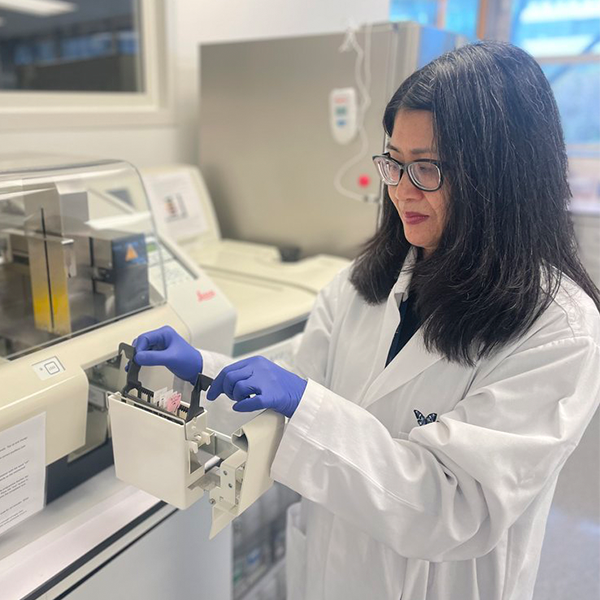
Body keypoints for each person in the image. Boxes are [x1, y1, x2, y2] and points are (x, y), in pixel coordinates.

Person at [131, 41, 600, 600]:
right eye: (394, 162)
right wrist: (203, 367)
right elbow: (298, 385)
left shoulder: (557, 330)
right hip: (332, 566)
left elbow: (453, 506)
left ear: (501, 177)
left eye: (426, 167)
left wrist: (304, 403)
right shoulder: (367, 282)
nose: (400, 189)